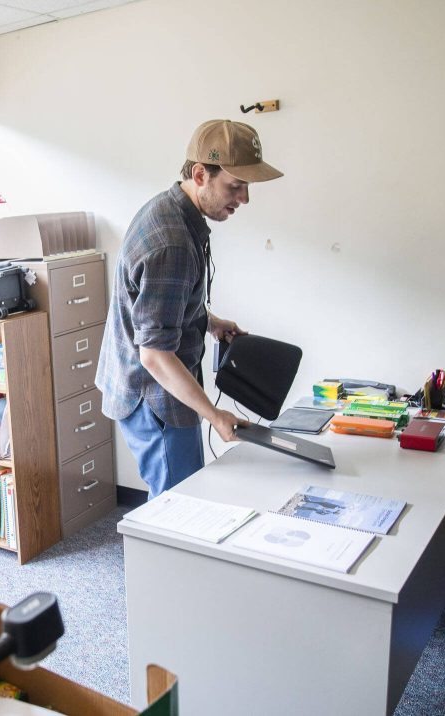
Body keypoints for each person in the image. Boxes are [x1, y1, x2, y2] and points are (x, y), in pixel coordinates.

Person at [95, 119, 283, 499]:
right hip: (156, 399)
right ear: (201, 174)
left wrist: (208, 322)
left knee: (180, 503)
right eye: (235, 185)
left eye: (247, 187)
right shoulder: (173, 243)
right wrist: (215, 416)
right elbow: (154, 355)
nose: (244, 198)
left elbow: (154, 306)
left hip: (158, 391)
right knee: (176, 511)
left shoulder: (172, 210)